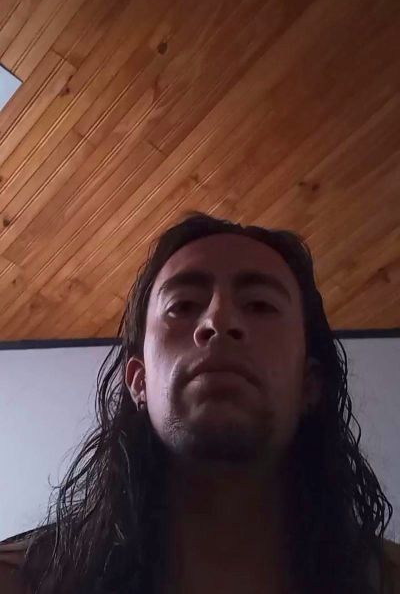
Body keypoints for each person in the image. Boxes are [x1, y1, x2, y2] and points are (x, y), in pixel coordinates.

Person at [0, 211, 399, 594]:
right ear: (138, 381)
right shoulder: (19, 581)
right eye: (184, 305)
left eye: (260, 304)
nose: (219, 320)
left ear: (309, 385)